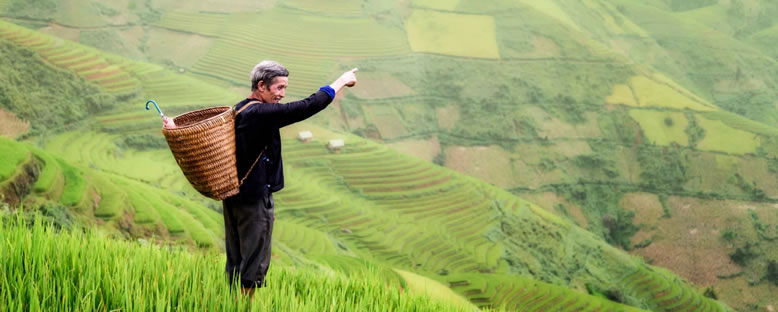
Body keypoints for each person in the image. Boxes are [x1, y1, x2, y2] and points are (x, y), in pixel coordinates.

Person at [223, 60, 357, 296]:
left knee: (236, 261)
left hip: (234, 195)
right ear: (262, 86)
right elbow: (306, 106)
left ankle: (229, 303)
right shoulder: (260, 113)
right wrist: (341, 82)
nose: (282, 95)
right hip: (254, 200)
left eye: (285, 88)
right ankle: (241, 306)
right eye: (279, 88)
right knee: (253, 265)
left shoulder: (241, 108)